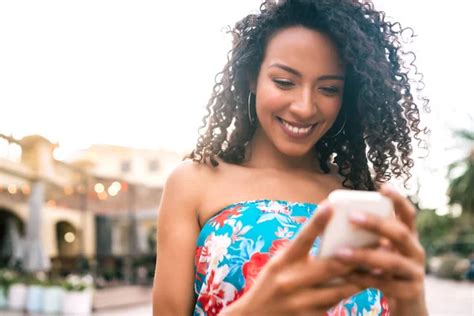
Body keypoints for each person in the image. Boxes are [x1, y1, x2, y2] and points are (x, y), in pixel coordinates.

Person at [153, 0, 430, 315]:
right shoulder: (194, 183)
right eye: (284, 82)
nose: (304, 106)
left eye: (328, 89)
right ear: (250, 78)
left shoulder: (364, 192)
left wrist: (413, 300)